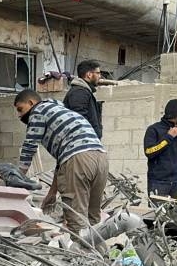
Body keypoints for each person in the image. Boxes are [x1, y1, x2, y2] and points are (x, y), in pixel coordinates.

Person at [13, 89, 107, 233]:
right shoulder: (61, 111)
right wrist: (52, 192)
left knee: (76, 222)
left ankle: (82, 254)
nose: (19, 115)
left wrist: (18, 180)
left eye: (20, 109)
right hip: (100, 158)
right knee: (93, 218)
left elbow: (29, 146)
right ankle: (100, 254)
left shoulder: (38, 111)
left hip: (78, 160)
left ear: (31, 103)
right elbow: (62, 161)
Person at [144, 99, 177, 199]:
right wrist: (169, 136)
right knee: (157, 213)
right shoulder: (154, 129)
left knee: (174, 213)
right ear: (175, 114)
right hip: (158, 182)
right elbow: (149, 152)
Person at [63, 59, 103, 138]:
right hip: (84, 142)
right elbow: (79, 120)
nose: (100, 76)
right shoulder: (79, 92)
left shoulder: (84, 91)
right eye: (97, 73)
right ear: (89, 74)